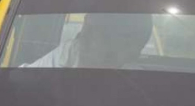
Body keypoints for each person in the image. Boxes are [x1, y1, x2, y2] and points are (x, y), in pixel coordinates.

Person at [24, 13, 153, 69]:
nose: (84, 36)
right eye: (87, 27)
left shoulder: (134, 81)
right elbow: (23, 76)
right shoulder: (70, 52)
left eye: (100, 31)